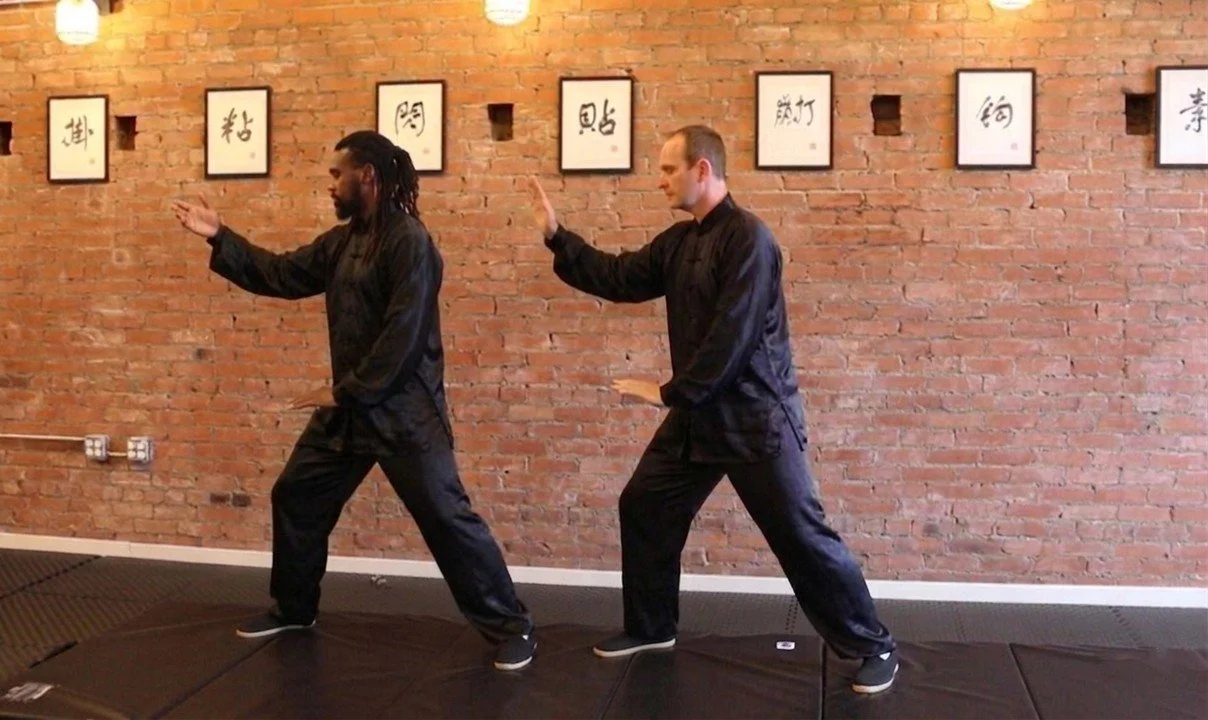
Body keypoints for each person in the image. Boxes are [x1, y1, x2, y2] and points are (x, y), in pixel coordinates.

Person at [526, 125, 899, 694]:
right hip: (700, 416)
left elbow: (734, 337)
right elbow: (620, 276)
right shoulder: (680, 242)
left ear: (703, 170)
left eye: (669, 169)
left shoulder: (750, 239)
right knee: (645, 503)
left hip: (755, 419)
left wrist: (669, 393)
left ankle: (874, 645)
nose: (660, 180)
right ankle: (651, 626)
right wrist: (559, 238)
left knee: (802, 536)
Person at [172, 130, 536, 671]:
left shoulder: (410, 242)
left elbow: (404, 336)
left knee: (446, 517)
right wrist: (220, 236)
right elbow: (281, 273)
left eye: (335, 175)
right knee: (297, 495)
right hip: (349, 410)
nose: (329, 186)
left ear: (366, 176)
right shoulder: (341, 244)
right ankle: (294, 608)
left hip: (404, 413)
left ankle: (512, 627)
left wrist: (344, 392)